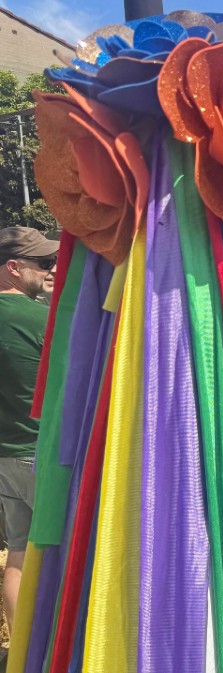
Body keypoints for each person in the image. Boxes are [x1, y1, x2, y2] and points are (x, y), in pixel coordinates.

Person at [0, 227, 57, 631]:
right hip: (41, 454)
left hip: (4, 459)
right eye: (44, 264)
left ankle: (21, 654)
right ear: (14, 268)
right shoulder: (40, 319)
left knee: (18, 555)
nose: (52, 270)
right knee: (73, 552)